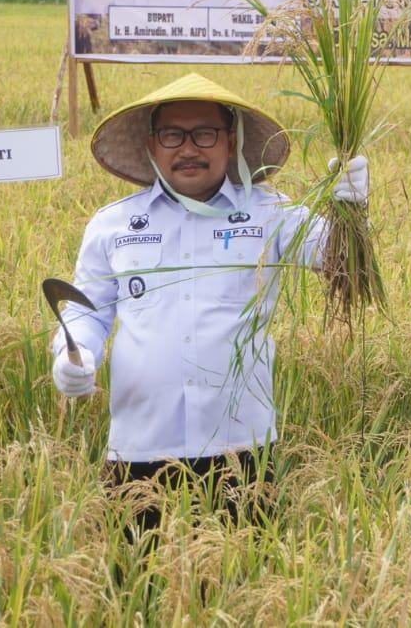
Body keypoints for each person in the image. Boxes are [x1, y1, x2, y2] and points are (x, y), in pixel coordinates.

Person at [50, 73, 368, 538]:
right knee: (136, 595)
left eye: (205, 134)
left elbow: (342, 264)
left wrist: (352, 209)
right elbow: (88, 309)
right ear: (152, 145)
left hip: (241, 448)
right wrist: (71, 353)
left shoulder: (269, 213)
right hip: (139, 448)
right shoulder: (114, 224)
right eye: (173, 135)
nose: (189, 149)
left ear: (230, 140)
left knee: (244, 595)